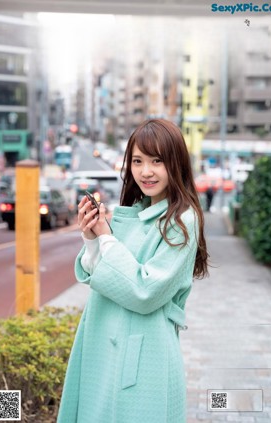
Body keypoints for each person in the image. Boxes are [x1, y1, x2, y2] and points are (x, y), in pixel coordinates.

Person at [57, 119, 209, 423]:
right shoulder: (134, 214)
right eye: (137, 161)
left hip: (145, 352)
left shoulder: (183, 221)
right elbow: (101, 272)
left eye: (157, 161)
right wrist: (91, 238)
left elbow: (145, 291)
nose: (145, 171)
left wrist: (107, 238)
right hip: (102, 341)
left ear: (175, 163)